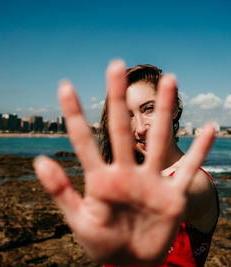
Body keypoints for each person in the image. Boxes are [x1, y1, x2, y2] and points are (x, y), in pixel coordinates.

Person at [34, 60, 218, 266]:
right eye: (127, 115)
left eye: (149, 109)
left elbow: (178, 194)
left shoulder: (196, 181)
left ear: (173, 109)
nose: (140, 128)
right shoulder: (128, 179)